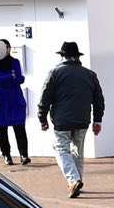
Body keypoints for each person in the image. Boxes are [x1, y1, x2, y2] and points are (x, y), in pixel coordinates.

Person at [37, 41, 104, 199]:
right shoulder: (90, 74)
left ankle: (73, 180)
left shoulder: (55, 73)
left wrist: (42, 118)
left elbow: (45, 96)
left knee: (61, 150)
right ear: (77, 56)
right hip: (83, 119)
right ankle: (77, 181)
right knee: (77, 151)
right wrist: (97, 120)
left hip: (62, 120)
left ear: (62, 56)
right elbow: (99, 99)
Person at [0, 39, 31, 166]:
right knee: (1, 129)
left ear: (8, 48)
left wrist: (10, 78)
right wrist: (10, 76)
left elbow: (20, 79)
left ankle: (24, 155)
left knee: (20, 128)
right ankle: (6, 155)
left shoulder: (15, 62)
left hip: (14, 99)